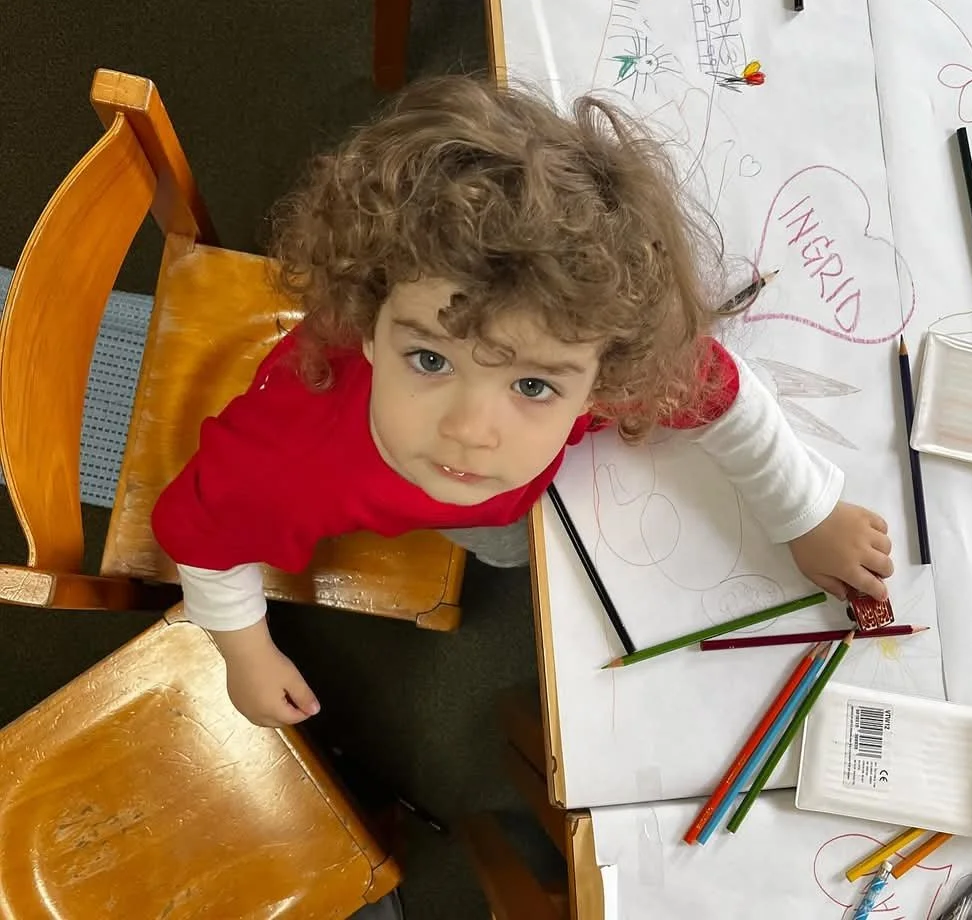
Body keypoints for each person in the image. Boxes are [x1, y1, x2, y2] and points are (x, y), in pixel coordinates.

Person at [152, 76, 893, 728]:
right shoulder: (290, 458)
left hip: (506, 499)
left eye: (534, 387)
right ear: (367, 326)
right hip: (414, 502)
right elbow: (201, 536)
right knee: (507, 545)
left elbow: (722, 390)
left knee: (509, 537)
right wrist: (244, 652)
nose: (470, 432)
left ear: (602, 378)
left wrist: (806, 515)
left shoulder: (586, 336)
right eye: (430, 359)